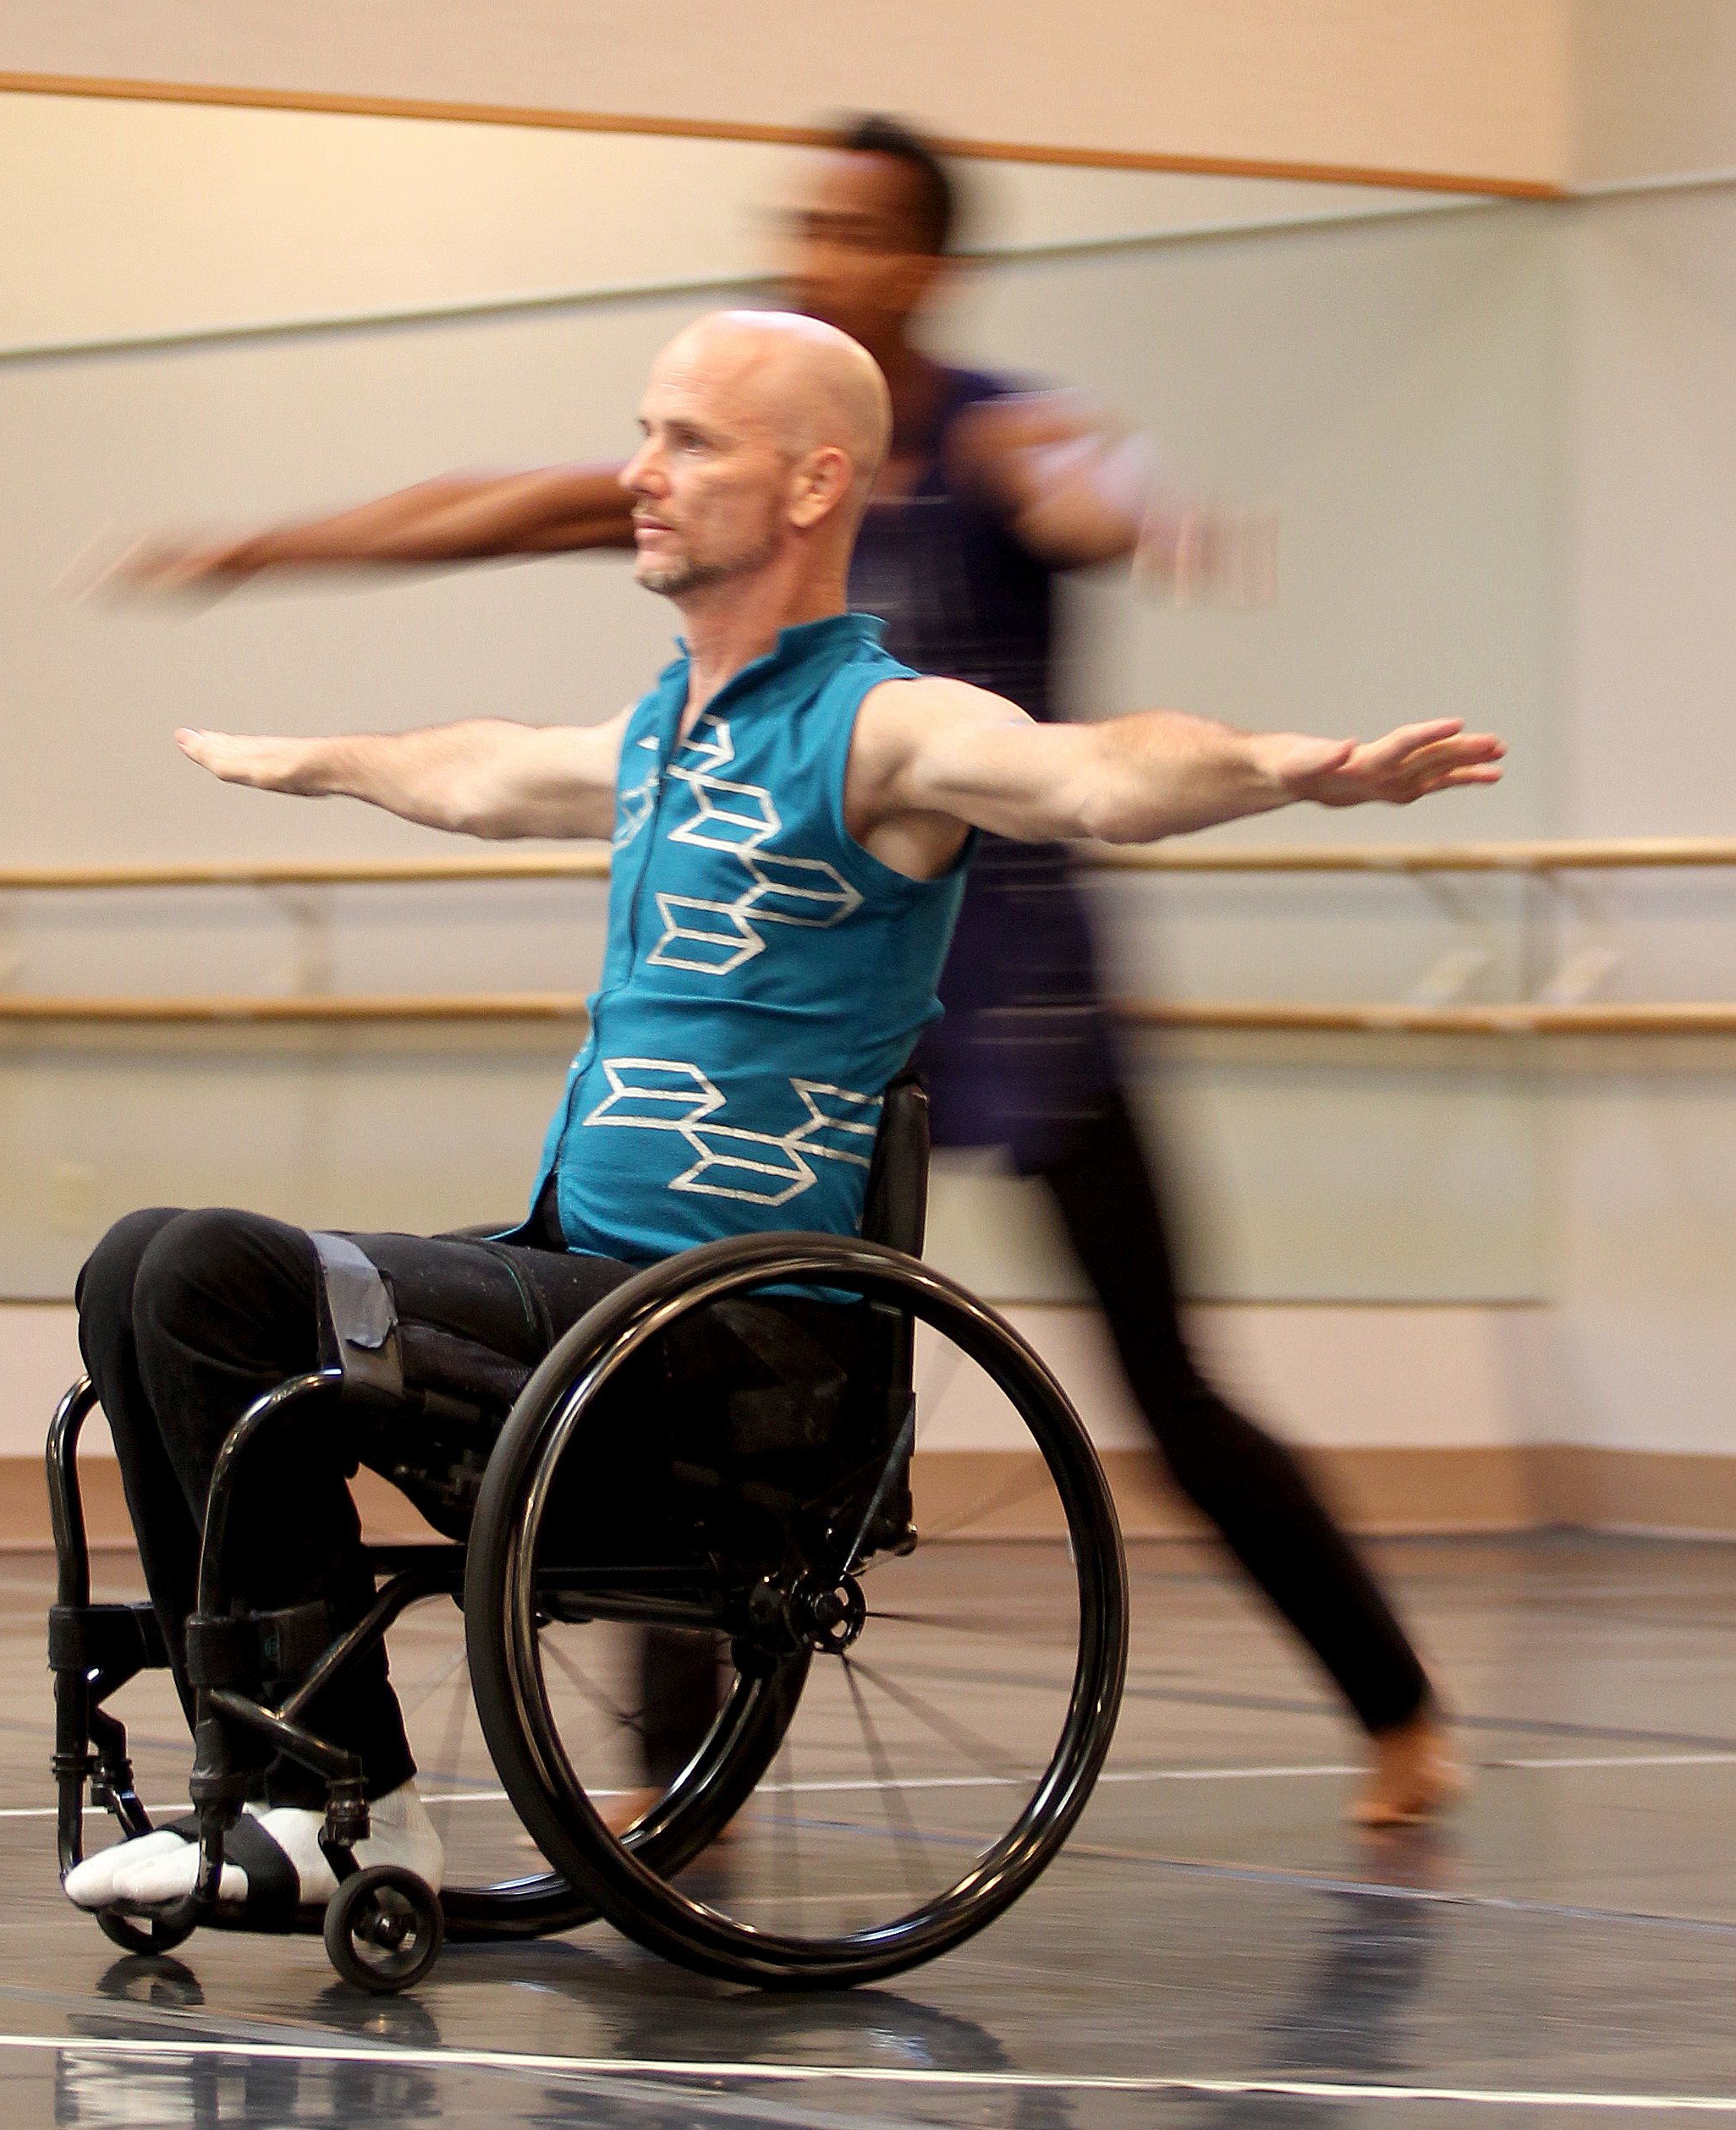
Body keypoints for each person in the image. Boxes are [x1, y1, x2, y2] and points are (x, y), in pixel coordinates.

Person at [87, 134, 1479, 1834]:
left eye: (863, 229)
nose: (827, 251)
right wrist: (279, 606)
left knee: (1155, 1378)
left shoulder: (958, 473)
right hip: (722, 1076)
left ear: (924, 275)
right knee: (244, 1265)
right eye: (808, 224)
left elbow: (1088, 721)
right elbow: (494, 687)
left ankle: (1393, 1704)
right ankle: (581, 1773)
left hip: (1007, 983)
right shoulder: (689, 636)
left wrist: (1276, 744)